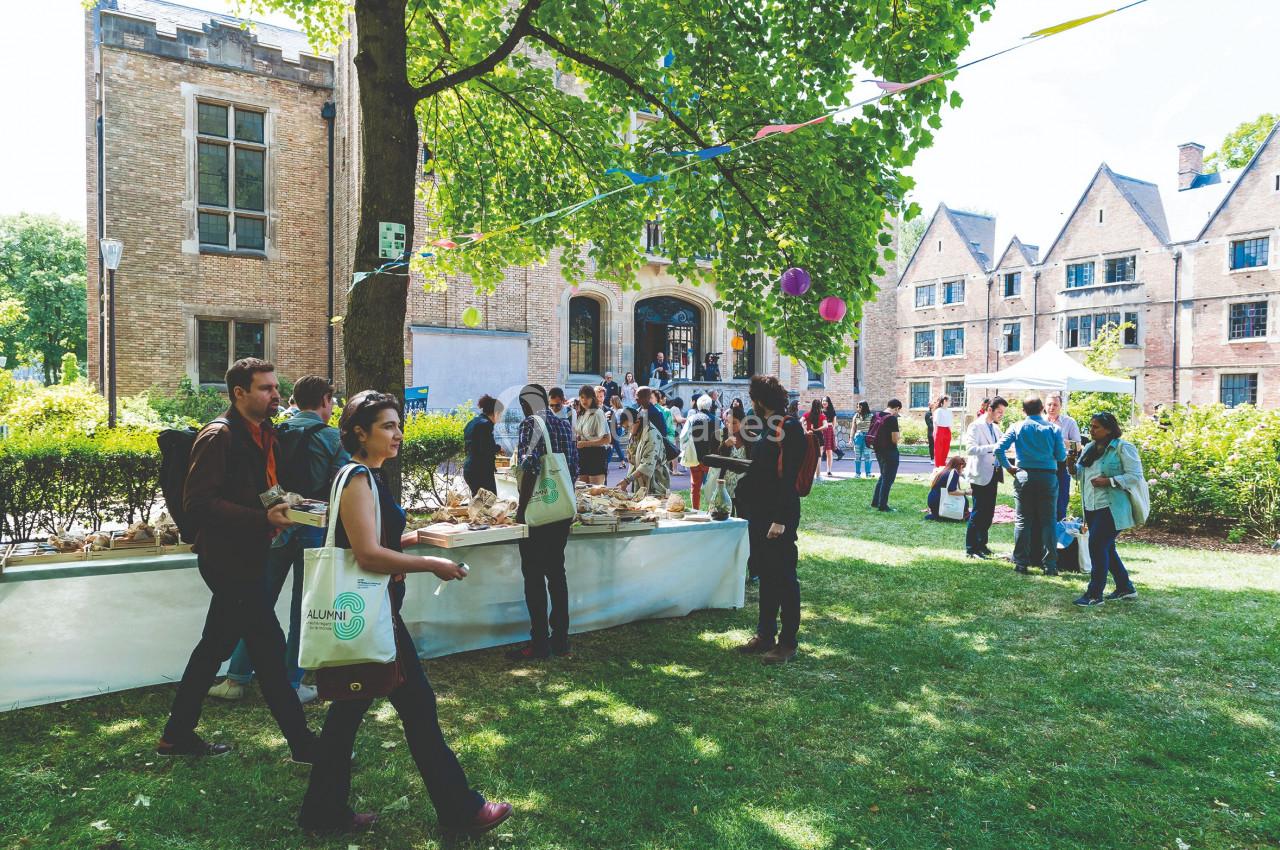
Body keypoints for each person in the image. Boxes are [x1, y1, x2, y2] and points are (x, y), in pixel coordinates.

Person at [297, 390, 512, 836]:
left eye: (399, 425)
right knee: (416, 711)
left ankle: (323, 812)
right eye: (388, 426)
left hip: (373, 614)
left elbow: (380, 543)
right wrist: (432, 565)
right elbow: (369, 556)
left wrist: (423, 538)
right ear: (361, 432)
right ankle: (462, 811)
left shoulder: (368, 476)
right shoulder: (357, 478)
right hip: (375, 616)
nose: (398, 434)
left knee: (350, 715)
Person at [157, 358, 318, 761]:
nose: (276, 395)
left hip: (249, 554)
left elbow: (259, 489)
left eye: (276, 387)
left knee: (214, 646)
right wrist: (262, 517)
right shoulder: (219, 436)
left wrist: (285, 506)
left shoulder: (264, 434)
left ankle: (175, 736)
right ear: (239, 393)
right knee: (269, 648)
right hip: (228, 561)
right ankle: (303, 745)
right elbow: (199, 503)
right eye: (265, 388)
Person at [207, 375, 348, 706]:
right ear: (325, 401)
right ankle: (292, 682)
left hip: (277, 525)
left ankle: (236, 678)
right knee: (306, 607)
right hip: (314, 529)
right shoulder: (331, 437)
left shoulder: (275, 432)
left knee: (258, 604)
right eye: (332, 402)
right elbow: (343, 487)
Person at [735, 375, 805, 664]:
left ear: (760, 400)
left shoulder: (789, 428)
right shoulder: (769, 428)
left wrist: (780, 519)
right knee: (766, 574)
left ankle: (787, 642)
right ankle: (765, 633)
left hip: (779, 515)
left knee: (784, 579)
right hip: (760, 512)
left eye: (753, 398)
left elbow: (788, 478)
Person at [507, 384, 579, 661]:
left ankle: (539, 644)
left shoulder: (530, 424)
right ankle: (560, 639)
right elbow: (573, 468)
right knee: (556, 574)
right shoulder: (563, 425)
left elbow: (530, 467)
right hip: (561, 510)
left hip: (538, 514)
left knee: (534, 578)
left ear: (527, 403)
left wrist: (522, 510)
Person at [1070, 412, 1143, 606]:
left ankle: (1094, 595)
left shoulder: (1123, 448)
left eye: (1096, 427)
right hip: (1091, 506)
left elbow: (1135, 476)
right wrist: (1070, 465)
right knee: (1106, 547)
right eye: (1091, 426)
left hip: (1112, 506)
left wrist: (1109, 481)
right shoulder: (1090, 448)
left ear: (1109, 429)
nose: (1091, 430)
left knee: (1097, 545)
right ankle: (1125, 587)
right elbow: (1079, 475)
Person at [995, 395, 1067, 575]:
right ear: (1043, 408)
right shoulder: (1053, 429)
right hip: (1048, 477)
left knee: (1022, 521)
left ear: (1023, 410)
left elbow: (998, 449)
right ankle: (1050, 565)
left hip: (1024, 475)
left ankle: (1021, 562)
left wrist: (1009, 467)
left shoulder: (1017, 426)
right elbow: (1061, 457)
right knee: (1049, 521)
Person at [964, 396, 1007, 559]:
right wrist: (993, 447)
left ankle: (982, 544)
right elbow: (970, 449)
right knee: (978, 512)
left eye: (1003, 412)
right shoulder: (976, 426)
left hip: (994, 474)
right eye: (999, 412)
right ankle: (971, 548)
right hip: (980, 474)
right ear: (990, 409)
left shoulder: (995, 428)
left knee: (988, 513)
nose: (1001, 415)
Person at [1044, 393, 1082, 521]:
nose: (1052, 408)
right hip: (1043, 464)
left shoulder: (1069, 422)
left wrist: (1060, 440)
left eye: (1055, 405)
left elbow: (1077, 446)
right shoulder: (1039, 422)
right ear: (1045, 406)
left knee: (1061, 499)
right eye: (1049, 404)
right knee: (1043, 499)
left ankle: (1059, 527)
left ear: (1060, 406)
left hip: (1062, 464)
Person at [620, 407, 670, 496]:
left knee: (654, 507)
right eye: (625, 428)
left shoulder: (651, 435)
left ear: (638, 421)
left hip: (656, 481)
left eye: (628, 427)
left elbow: (647, 465)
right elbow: (632, 458)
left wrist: (627, 480)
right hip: (639, 480)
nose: (628, 430)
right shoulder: (634, 432)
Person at [681, 394, 719, 508]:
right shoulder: (716, 420)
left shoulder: (692, 419)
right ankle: (711, 510)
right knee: (711, 487)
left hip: (695, 457)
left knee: (695, 486)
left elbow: (683, 436)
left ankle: (695, 509)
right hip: (711, 458)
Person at [462, 394, 503, 496]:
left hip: (469, 469)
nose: (500, 417)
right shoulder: (485, 425)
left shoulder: (472, 422)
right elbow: (486, 448)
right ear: (495, 413)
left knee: (479, 504)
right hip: (480, 471)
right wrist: (498, 448)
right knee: (490, 502)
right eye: (501, 414)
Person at [870, 399, 903, 512]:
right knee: (888, 478)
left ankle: (876, 501)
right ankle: (883, 505)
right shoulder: (892, 419)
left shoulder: (876, 415)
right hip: (890, 451)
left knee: (883, 476)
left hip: (878, 450)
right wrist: (899, 436)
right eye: (898, 411)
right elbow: (895, 439)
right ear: (896, 408)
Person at [574, 384, 610, 485]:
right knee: (582, 493)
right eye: (582, 397)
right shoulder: (581, 414)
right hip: (582, 455)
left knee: (596, 493)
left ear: (593, 398)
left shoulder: (598, 413)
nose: (584, 400)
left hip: (596, 455)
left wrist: (585, 443)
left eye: (588, 397)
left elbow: (607, 439)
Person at [925, 455, 971, 521]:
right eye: (962, 468)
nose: (962, 470)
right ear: (960, 466)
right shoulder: (953, 472)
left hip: (934, 502)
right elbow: (951, 491)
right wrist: (966, 492)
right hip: (939, 502)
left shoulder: (946, 471)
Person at [802, 400, 830, 480]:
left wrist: (806, 431)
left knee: (809, 456)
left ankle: (809, 475)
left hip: (809, 436)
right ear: (820, 406)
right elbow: (826, 426)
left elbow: (800, 421)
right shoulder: (822, 416)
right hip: (818, 437)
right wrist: (817, 429)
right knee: (818, 457)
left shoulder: (807, 414)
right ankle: (818, 476)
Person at [850, 401, 874, 479]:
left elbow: (874, 428)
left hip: (868, 438)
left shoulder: (871, 416)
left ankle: (868, 474)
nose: (858, 408)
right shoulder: (856, 416)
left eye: (860, 407)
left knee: (867, 455)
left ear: (864, 407)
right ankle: (857, 474)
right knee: (857, 456)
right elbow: (853, 428)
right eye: (857, 407)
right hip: (858, 437)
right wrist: (851, 439)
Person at [607, 394, 628, 469]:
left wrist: (620, 425)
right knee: (613, 446)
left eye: (611, 400)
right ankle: (621, 462)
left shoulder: (620, 411)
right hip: (611, 429)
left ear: (614, 401)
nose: (609, 401)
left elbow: (624, 420)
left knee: (615, 445)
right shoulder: (611, 409)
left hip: (617, 430)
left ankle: (621, 462)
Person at [932, 395, 953, 468]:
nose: (950, 402)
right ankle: (938, 467)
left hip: (947, 430)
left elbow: (950, 423)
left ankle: (943, 465)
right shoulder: (938, 411)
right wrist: (935, 433)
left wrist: (950, 432)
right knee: (938, 450)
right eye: (949, 400)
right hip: (939, 430)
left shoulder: (950, 411)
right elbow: (936, 422)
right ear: (944, 401)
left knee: (945, 449)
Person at [823, 396, 844, 462]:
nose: (824, 402)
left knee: (828, 443)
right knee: (825, 442)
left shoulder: (831, 410)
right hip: (822, 428)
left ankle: (825, 456)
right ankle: (840, 453)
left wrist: (833, 429)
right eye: (823, 401)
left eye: (825, 401)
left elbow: (834, 421)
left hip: (829, 428)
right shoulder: (820, 410)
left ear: (828, 402)